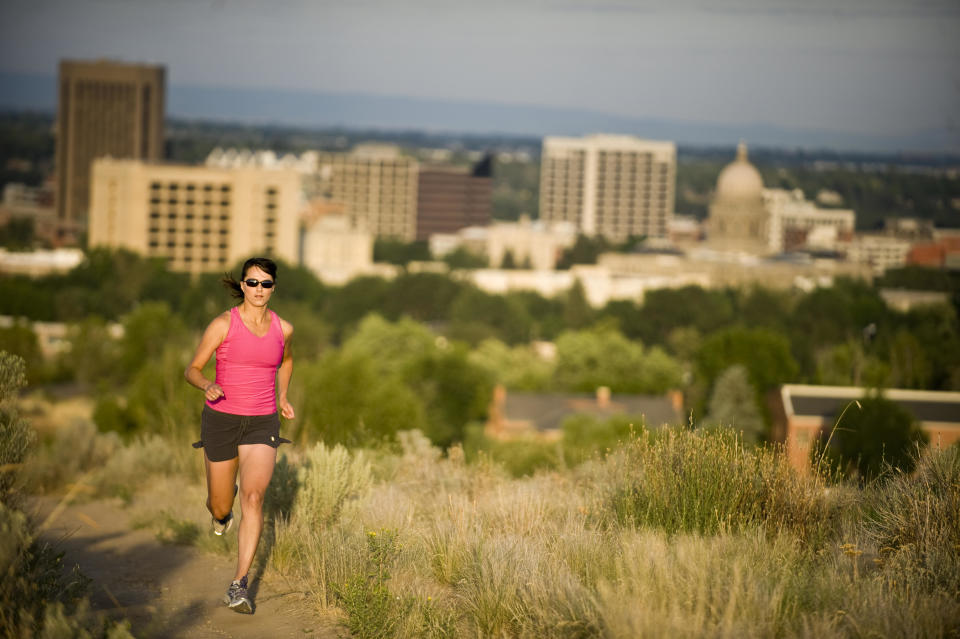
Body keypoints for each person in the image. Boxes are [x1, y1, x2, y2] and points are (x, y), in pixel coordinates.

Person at [184, 256, 294, 614]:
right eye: (252, 282)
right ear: (242, 285)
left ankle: (239, 585)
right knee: (222, 504)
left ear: (273, 287)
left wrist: (283, 396)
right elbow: (193, 368)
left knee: (254, 497)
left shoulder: (284, 328)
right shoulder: (223, 324)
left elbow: (287, 360)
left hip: (262, 422)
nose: (259, 290)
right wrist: (207, 384)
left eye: (265, 284)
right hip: (222, 419)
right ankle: (219, 514)